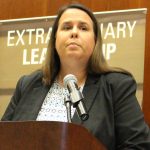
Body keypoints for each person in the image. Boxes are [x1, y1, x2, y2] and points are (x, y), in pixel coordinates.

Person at [1, 3, 150, 150]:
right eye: (66, 27)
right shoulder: (27, 84)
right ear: (54, 40)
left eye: (83, 28)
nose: (74, 32)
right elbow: (3, 138)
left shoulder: (117, 86)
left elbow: (138, 145)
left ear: (95, 42)